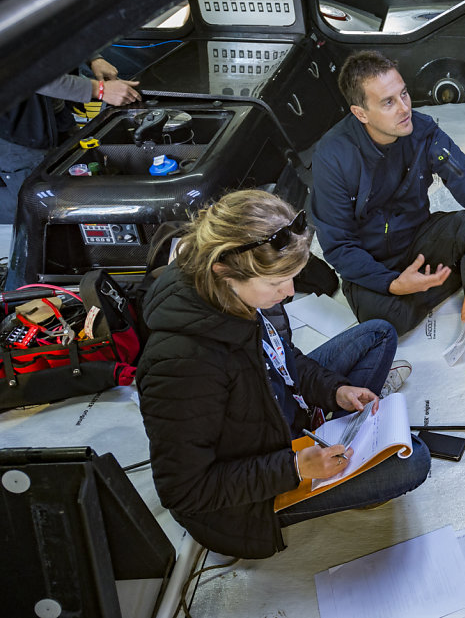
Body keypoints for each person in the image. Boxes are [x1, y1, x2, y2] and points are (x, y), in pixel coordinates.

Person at [136, 189, 430, 559]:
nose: (289, 292)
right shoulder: (182, 365)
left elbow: (282, 357)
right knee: (413, 460)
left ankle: (330, 424)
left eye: (293, 277)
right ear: (224, 271)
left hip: (275, 413)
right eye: (277, 284)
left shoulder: (239, 293)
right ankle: (333, 455)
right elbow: (185, 491)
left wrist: (335, 389)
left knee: (379, 334)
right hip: (253, 490)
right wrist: (294, 466)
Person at [311, 50, 465, 385]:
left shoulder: (423, 132)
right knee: (385, 324)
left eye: (404, 93)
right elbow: (338, 247)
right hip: (373, 264)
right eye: (388, 103)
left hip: (418, 241)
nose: (405, 108)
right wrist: (393, 283)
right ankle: (455, 276)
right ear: (360, 113)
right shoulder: (332, 157)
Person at [0, 55, 141, 222]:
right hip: (19, 131)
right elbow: (30, 75)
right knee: (38, 204)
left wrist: (93, 57)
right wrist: (99, 90)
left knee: (74, 178)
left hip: (55, 115)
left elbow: (54, 34)